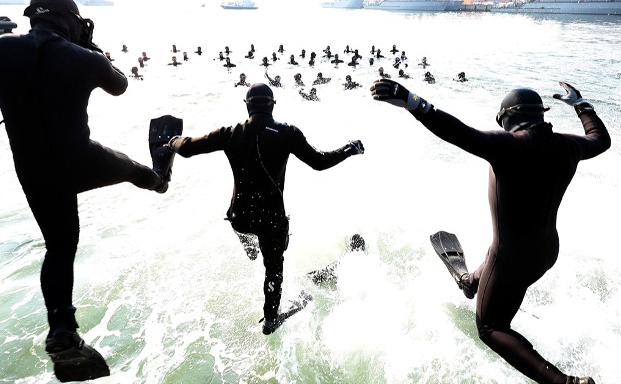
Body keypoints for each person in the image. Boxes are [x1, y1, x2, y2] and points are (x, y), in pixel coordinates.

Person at [0, 0, 177, 381]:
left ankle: (62, 330)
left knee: (59, 247)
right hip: (82, 160)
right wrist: (90, 50)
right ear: (72, 21)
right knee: (137, 171)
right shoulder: (86, 59)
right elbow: (120, 86)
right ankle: (160, 177)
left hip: (33, 172)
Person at [370, 78, 609, 384]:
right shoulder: (569, 144)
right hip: (547, 251)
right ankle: (471, 281)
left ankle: (566, 383)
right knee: (494, 255)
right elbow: (600, 140)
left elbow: (458, 132)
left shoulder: (510, 146)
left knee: (490, 327)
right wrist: (581, 105)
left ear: (506, 118)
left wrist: (412, 102)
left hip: (512, 259)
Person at [160, 83, 364, 334]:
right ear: (273, 105)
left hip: (240, 217)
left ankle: (250, 249)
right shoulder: (288, 133)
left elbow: (188, 147)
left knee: (246, 232)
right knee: (274, 267)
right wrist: (349, 149)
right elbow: (319, 162)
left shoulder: (230, 133)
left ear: (247, 106)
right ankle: (270, 320)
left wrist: (171, 142)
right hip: (271, 219)